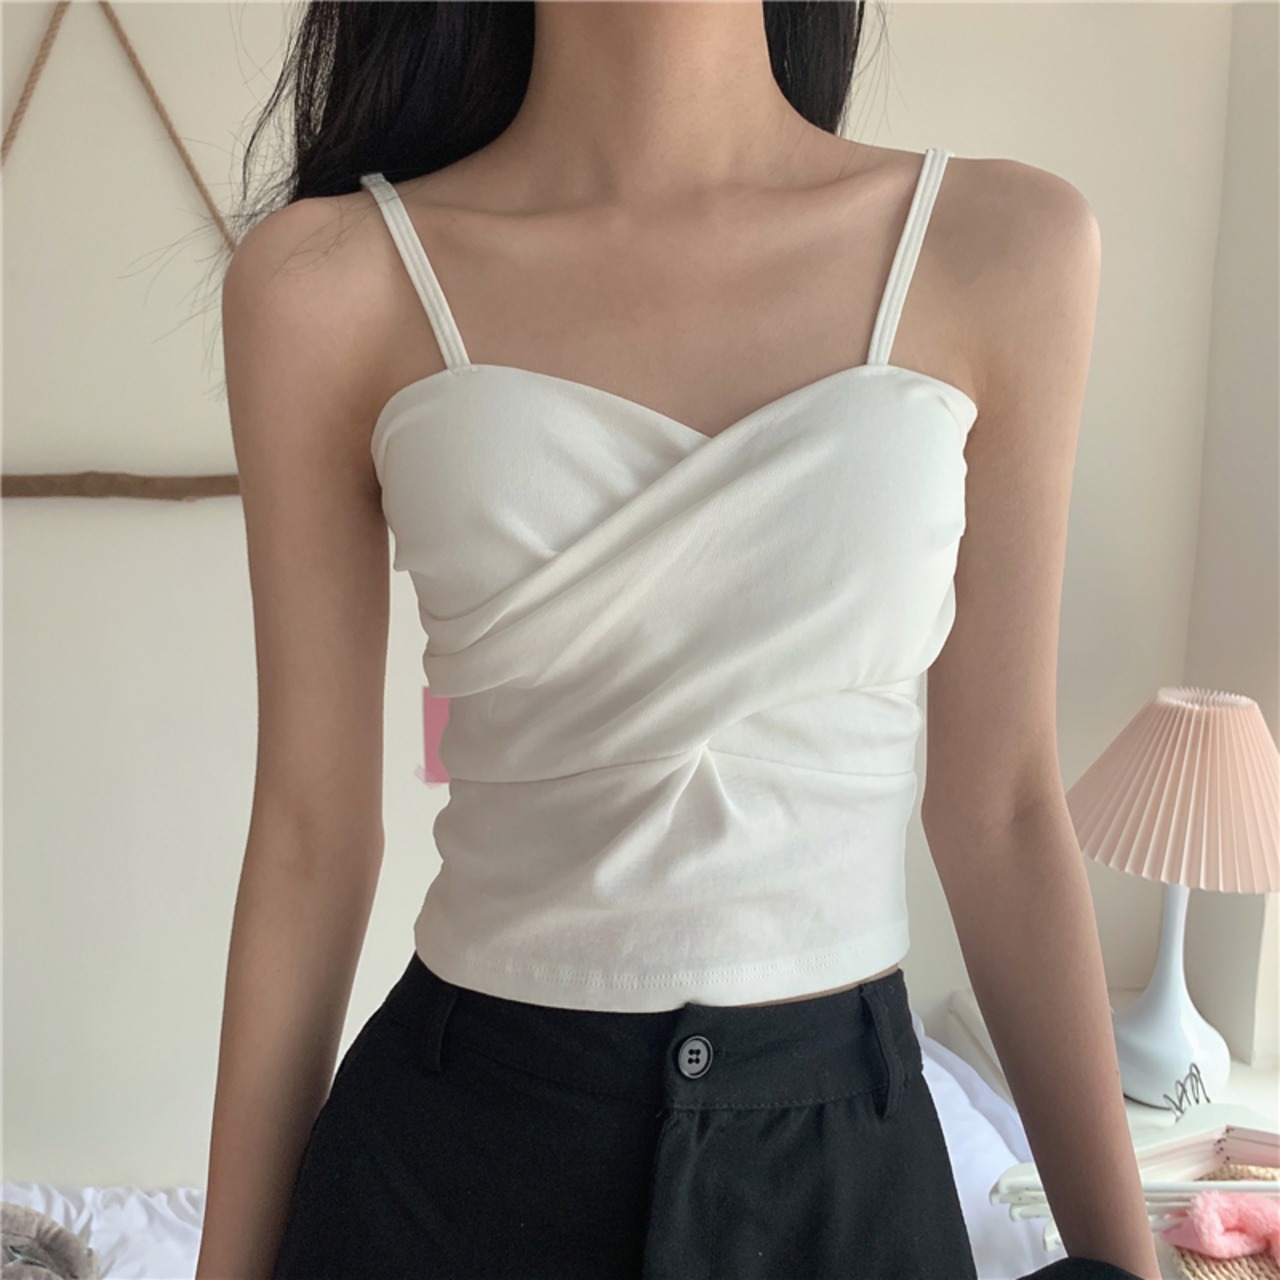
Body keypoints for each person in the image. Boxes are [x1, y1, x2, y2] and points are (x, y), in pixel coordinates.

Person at [195, 3, 1162, 1278]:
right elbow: (310, 838)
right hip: (444, 1177)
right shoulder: (324, 283)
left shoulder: (1002, 248)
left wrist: (1123, 1257)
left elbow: (1001, 811)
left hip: (841, 1182)